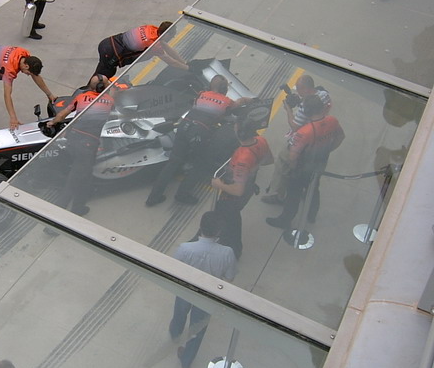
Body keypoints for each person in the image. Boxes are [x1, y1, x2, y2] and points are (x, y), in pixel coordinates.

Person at [146, 75, 250, 207]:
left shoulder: (202, 94)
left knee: (173, 162)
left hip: (184, 126)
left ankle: (153, 197)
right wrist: (248, 100)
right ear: (225, 89)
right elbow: (238, 105)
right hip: (199, 132)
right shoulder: (226, 101)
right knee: (201, 164)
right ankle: (182, 195)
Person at [169, 211, 237, 368]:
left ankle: (175, 333)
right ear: (219, 231)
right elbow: (230, 277)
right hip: (207, 297)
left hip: (186, 290)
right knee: (197, 329)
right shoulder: (227, 252)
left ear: (200, 226)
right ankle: (187, 361)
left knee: (179, 313)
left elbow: (173, 267)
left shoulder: (185, 248)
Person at [266, 95, 345, 230]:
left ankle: (285, 220)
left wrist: (293, 168)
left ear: (307, 112)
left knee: (293, 194)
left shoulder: (304, 132)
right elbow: (340, 137)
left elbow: (293, 156)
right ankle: (311, 214)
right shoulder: (332, 121)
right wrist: (328, 150)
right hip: (320, 163)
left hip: (302, 169)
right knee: (313, 188)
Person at [47, 75, 114, 216]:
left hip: (72, 139)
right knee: (73, 182)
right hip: (87, 146)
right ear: (102, 87)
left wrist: (52, 122)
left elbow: (62, 114)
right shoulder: (109, 101)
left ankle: (79, 206)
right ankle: (53, 218)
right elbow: (116, 96)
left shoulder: (81, 98)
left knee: (87, 176)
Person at [262, 75, 332, 205]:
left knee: (282, 163)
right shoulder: (323, 94)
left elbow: (294, 126)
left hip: (301, 141)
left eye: (299, 89)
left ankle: (277, 194)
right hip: (316, 141)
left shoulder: (305, 107)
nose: (298, 92)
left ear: (306, 89)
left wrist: (288, 110)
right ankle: (306, 194)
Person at [210, 115, 273, 258]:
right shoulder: (261, 140)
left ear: (240, 133)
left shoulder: (242, 159)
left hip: (232, 197)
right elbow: (268, 160)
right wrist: (252, 169)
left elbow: (238, 191)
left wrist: (219, 184)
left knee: (230, 224)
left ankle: (233, 251)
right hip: (249, 186)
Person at [0, 45, 56, 129]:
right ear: (26, 66)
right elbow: (7, 95)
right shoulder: (9, 70)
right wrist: (13, 118)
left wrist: (49, 94)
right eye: (28, 73)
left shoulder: (24, 53)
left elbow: (35, 76)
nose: (28, 75)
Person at [93, 20, 186, 81]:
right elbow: (171, 62)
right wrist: (187, 68)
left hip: (107, 43)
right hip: (112, 53)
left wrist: (183, 62)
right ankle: (89, 96)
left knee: (100, 74)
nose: (173, 37)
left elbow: (166, 47)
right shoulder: (154, 45)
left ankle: (89, 91)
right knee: (102, 78)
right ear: (167, 34)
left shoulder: (152, 28)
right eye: (172, 35)